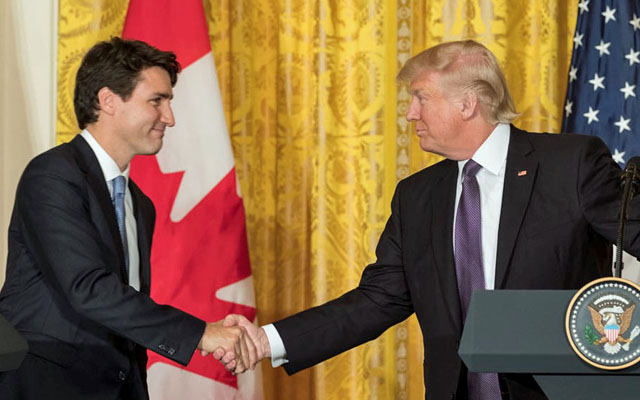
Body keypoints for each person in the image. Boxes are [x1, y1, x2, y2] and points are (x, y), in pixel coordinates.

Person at [218, 40, 639, 399]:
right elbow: (377, 300)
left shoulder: (570, 164)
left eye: (421, 97)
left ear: (467, 103)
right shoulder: (416, 196)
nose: (410, 114)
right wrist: (266, 340)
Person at [0, 37, 256, 400]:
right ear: (108, 101)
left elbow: (123, 315)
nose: (169, 117)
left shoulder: (139, 203)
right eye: (157, 101)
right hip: (47, 385)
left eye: (168, 102)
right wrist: (201, 334)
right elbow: (88, 289)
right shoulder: (53, 176)